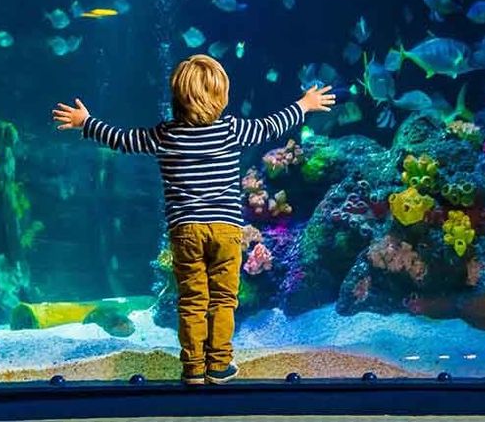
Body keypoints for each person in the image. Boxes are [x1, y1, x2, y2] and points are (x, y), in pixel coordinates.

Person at [51, 54, 335, 385]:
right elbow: (272, 125)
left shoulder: (165, 134)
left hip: (185, 230)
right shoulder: (233, 129)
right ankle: (219, 364)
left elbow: (123, 139)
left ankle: (193, 368)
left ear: (177, 98)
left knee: (192, 300)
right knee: (224, 298)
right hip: (226, 231)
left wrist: (86, 122)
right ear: (222, 97)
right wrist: (304, 104)